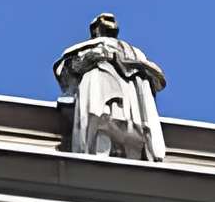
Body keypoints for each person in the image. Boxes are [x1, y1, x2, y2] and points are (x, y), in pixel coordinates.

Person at [55, 14, 168, 161]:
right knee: (101, 119)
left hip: (130, 93)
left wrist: (133, 65)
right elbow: (67, 71)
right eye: (104, 20)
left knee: (130, 128)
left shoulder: (133, 51)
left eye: (112, 20)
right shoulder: (85, 48)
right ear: (95, 29)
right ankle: (98, 152)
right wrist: (93, 57)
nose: (110, 22)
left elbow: (158, 79)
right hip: (99, 83)